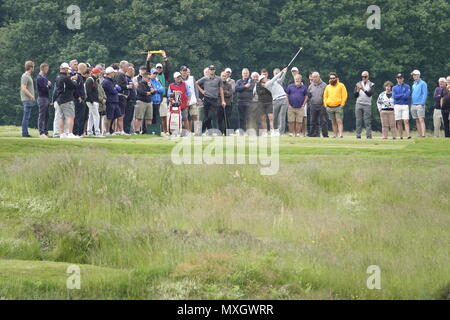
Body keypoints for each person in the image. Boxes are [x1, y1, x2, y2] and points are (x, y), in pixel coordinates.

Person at [196, 65, 226, 132]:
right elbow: (196, 83)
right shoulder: (205, 78)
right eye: (210, 69)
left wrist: (223, 101)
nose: (212, 71)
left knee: (211, 115)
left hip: (214, 99)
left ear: (214, 70)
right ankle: (208, 131)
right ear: (209, 70)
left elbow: (221, 90)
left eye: (213, 69)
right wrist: (202, 91)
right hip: (207, 99)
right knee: (206, 116)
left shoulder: (218, 79)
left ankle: (201, 130)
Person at [54, 62, 79, 138]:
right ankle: (70, 133)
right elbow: (73, 86)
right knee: (70, 116)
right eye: (67, 69)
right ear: (64, 69)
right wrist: (74, 80)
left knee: (61, 117)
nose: (68, 70)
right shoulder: (65, 78)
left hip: (59, 99)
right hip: (67, 99)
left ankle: (62, 133)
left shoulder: (58, 77)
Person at [263, 67, 288, 136]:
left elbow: (281, 79)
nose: (264, 78)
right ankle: (275, 130)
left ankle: (281, 132)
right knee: (275, 117)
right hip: (276, 101)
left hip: (284, 99)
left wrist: (285, 72)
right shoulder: (267, 84)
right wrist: (281, 72)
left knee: (282, 116)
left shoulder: (276, 82)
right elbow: (274, 78)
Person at [323, 72, 347, 138]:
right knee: (333, 122)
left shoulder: (341, 85)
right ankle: (335, 135)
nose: (332, 79)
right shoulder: (328, 87)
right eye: (331, 78)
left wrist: (342, 105)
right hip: (329, 107)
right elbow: (325, 96)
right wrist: (325, 105)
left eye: (333, 78)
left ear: (336, 78)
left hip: (338, 106)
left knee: (339, 121)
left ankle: (341, 135)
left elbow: (344, 95)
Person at [354, 71, 375, 139]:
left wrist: (363, 89)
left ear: (368, 77)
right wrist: (357, 90)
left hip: (367, 104)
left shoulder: (371, 84)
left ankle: (368, 135)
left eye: (365, 76)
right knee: (358, 120)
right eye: (362, 76)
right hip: (359, 103)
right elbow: (355, 95)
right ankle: (358, 135)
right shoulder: (358, 84)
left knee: (367, 121)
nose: (364, 78)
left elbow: (370, 94)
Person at [102, 66, 122, 136]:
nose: (114, 74)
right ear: (110, 73)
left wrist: (116, 88)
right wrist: (115, 88)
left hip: (115, 101)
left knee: (118, 116)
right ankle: (107, 131)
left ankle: (115, 131)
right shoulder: (106, 82)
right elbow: (113, 91)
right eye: (113, 73)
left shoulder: (112, 81)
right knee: (109, 117)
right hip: (110, 101)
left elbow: (119, 88)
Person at [308, 72, 328, 138]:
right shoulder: (311, 86)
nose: (314, 79)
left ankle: (325, 135)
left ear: (319, 77)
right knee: (313, 121)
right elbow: (309, 95)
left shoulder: (324, 85)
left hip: (322, 105)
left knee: (323, 121)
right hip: (313, 105)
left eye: (315, 77)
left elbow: (327, 95)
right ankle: (313, 135)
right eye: (313, 77)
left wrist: (325, 104)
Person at [181, 66, 200, 133]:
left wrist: (197, 99)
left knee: (194, 116)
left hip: (193, 100)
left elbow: (196, 88)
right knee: (186, 117)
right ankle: (188, 131)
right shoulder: (179, 79)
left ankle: (197, 131)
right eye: (183, 71)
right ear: (181, 71)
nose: (184, 72)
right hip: (184, 101)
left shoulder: (192, 78)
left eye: (185, 71)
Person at [85, 67, 103, 137]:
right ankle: (97, 132)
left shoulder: (93, 80)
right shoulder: (90, 80)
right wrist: (92, 100)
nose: (100, 74)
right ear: (96, 73)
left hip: (92, 101)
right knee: (96, 116)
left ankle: (89, 132)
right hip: (92, 101)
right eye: (99, 73)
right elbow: (88, 91)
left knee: (92, 116)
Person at [393, 73, 411, 139]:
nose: (399, 79)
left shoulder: (407, 86)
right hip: (397, 105)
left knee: (406, 121)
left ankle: (408, 135)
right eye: (398, 78)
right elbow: (394, 96)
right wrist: (402, 94)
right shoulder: (394, 88)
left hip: (405, 105)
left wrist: (400, 95)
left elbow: (407, 96)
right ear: (396, 79)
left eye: (400, 78)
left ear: (403, 79)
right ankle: (401, 136)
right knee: (399, 121)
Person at [235, 68, 254, 134]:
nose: (245, 74)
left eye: (246, 73)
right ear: (242, 74)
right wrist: (245, 86)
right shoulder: (238, 81)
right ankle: (241, 132)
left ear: (249, 74)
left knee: (249, 118)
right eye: (244, 73)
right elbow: (236, 89)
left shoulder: (251, 81)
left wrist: (242, 88)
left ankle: (248, 131)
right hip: (240, 102)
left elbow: (251, 88)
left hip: (249, 102)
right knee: (241, 118)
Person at [115, 60, 131, 135]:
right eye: (127, 66)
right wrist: (127, 86)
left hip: (123, 96)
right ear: (123, 66)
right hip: (121, 96)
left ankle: (120, 130)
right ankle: (120, 130)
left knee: (122, 114)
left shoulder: (123, 74)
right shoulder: (120, 74)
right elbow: (118, 85)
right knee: (120, 114)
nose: (128, 67)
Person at [411, 70, 428, 137]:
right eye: (413, 75)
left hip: (420, 104)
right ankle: (420, 134)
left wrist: (422, 103)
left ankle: (423, 135)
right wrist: (412, 103)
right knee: (417, 120)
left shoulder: (423, 83)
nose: (414, 76)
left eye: (415, 75)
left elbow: (425, 94)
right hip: (413, 104)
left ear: (418, 75)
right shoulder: (414, 84)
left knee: (421, 119)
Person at [20, 61, 35, 138]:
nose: (34, 69)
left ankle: (25, 133)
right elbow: (23, 88)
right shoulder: (25, 76)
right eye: (33, 67)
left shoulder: (28, 76)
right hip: (27, 100)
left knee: (27, 117)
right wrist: (31, 96)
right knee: (26, 117)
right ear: (31, 67)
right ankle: (24, 133)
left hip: (28, 100)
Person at [36, 63, 52, 138]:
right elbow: (44, 88)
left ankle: (45, 131)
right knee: (42, 115)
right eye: (47, 68)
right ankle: (41, 132)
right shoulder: (39, 78)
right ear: (43, 68)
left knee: (47, 116)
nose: (47, 70)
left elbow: (49, 86)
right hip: (42, 98)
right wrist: (48, 85)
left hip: (46, 98)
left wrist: (48, 85)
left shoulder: (44, 77)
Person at [149, 68, 165, 134]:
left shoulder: (157, 81)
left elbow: (162, 90)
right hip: (151, 101)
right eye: (154, 73)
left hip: (157, 102)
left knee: (156, 117)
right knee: (151, 117)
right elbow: (151, 90)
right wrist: (157, 89)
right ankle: (151, 131)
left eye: (156, 74)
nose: (155, 75)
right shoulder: (149, 81)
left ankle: (156, 131)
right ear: (150, 74)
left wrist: (155, 90)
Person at [126, 67, 137, 134]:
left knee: (130, 117)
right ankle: (126, 130)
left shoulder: (130, 79)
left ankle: (129, 130)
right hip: (129, 100)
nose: (134, 73)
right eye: (133, 71)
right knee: (128, 117)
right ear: (130, 71)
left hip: (132, 100)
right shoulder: (127, 79)